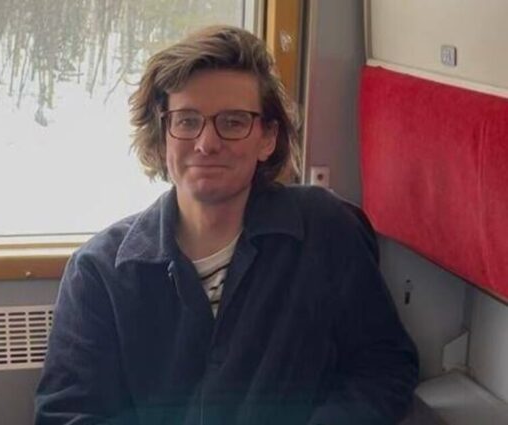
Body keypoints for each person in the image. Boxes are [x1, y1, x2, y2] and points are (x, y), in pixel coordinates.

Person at [34, 25, 418, 425]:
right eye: (187, 121)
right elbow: (67, 414)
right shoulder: (98, 271)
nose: (207, 143)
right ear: (162, 138)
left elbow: (383, 366)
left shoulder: (327, 230)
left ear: (267, 138)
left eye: (233, 122)